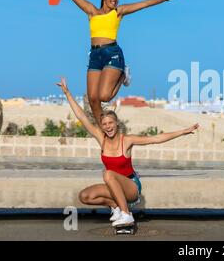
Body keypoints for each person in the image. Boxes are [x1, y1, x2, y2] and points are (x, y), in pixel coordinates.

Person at [56, 78, 199, 226]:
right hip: (114, 185)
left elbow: (155, 138)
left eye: (110, 123)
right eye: (104, 124)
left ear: (117, 124)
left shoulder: (127, 141)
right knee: (85, 196)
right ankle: (116, 207)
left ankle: (126, 214)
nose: (107, 126)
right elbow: (82, 117)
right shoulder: (101, 139)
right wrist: (67, 93)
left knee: (107, 173)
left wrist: (183, 131)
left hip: (131, 187)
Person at [48, 0, 177, 123]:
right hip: (95, 55)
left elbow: (143, 4)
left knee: (104, 96)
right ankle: (102, 129)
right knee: (93, 99)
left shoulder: (118, 12)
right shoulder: (92, 11)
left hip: (112, 53)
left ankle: (123, 75)